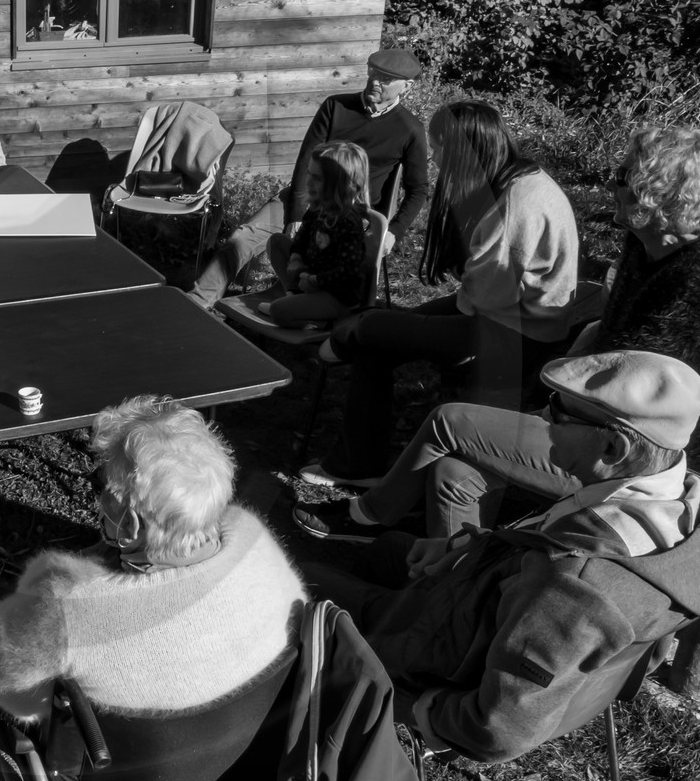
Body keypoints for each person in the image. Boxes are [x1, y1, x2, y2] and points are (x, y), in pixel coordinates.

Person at [301, 125, 700, 539]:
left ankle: (367, 517)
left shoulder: (699, 281)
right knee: (455, 474)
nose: (611, 186)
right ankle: (450, 574)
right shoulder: (645, 248)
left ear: (658, 194)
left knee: (449, 420)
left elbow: (636, 397)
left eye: (622, 177)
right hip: (594, 420)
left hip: (638, 457)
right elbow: (611, 342)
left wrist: (549, 404)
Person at [302, 352, 700, 763]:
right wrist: (464, 548)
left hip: (436, 658)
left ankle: (339, 680)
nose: (543, 418)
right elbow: (542, 547)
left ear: (613, 448)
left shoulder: (575, 585)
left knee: (300, 580)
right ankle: (349, 649)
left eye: (559, 412)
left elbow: (498, 730)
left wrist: (413, 707)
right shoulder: (685, 501)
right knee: (388, 548)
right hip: (479, 616)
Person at [0, 397, 305, 781]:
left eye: (100, 484)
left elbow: (9, 688)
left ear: (127, 524)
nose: (96, 492)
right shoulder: (258, 543)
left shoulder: (69, 608)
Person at [305, 100, 580, 483]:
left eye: (438, 148)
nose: (433, 158)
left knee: (369, 328)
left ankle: (347, 334)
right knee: (375, 344)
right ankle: (358, 467)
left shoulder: (517, 204)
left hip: (516, 335)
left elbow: (486, 298)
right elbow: (484, 292)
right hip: (499, 315)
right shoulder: (516, 179)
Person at [190, 47, 429, 309]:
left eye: (386, 79)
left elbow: (418, 189)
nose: (375, 81)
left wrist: (394, 231)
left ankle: (299, 303)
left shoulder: (410, 129)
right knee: (242, 239)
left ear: (407, 86)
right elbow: (305, 162)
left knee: (322, 260)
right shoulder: (336, 106)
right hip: (306, 195)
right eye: (373, 72)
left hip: (350, 212)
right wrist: (296, 214)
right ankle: (197, 302)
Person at [253, 141, 375, 329]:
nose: (308, 181)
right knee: (276, 242)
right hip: (310, 277)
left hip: (336, 296)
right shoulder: (318, 208)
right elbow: (301, 238)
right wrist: (296, 258)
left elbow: (348, 272)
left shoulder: (348, 222)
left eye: (317, 178)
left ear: (338, 184)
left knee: (278, 311)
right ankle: (293, 295)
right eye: (309, 173)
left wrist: (314, 281)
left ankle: (321, 322)